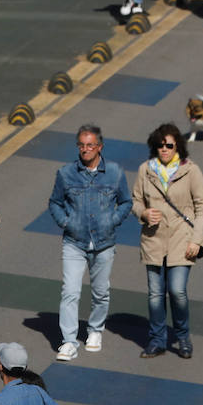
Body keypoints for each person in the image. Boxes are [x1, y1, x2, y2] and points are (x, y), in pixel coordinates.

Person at [47, 124, 131, 361]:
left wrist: (112, 221)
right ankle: (69, 342)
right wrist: (66, 222)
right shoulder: (66, 174)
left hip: (104, 243)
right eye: (81, 145)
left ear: (99, 147)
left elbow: (126, 202)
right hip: (74, 242)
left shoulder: (114, 172)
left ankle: (95, 330)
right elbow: (55, 202)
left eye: (90, 145)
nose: (85, 149)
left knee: (100, 292)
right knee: (70, 292)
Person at [130, 124, 203, 360]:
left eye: (169, 145)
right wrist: (143, 213)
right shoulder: (145, 170)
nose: (163, 149)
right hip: (153, 240)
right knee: (155, 294)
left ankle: (183, 337)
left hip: (181, 239)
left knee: (176, 291)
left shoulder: (191, 171)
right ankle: (157, 340)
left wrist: (197, 239)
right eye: (159, 145)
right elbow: (134, 201)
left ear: (177, 147)